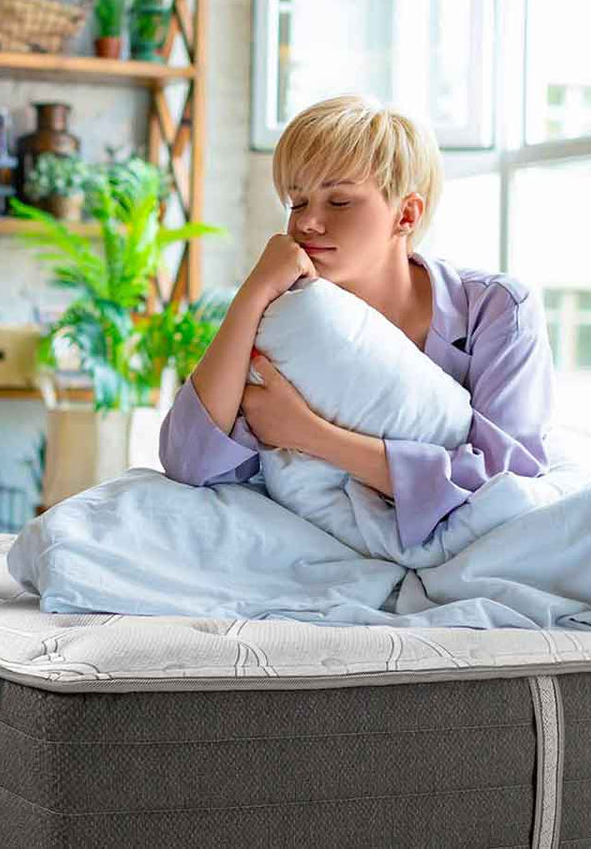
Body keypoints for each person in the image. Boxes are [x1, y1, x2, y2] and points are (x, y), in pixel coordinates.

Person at [159, 94, 555, 549]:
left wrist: (310, 434)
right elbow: (188, 462)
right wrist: (251, 295)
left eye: (340, 201)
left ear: (406, 214)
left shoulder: (498, 309)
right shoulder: (291, 321)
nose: (307, 222)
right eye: (297, 201)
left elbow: (508, 486)